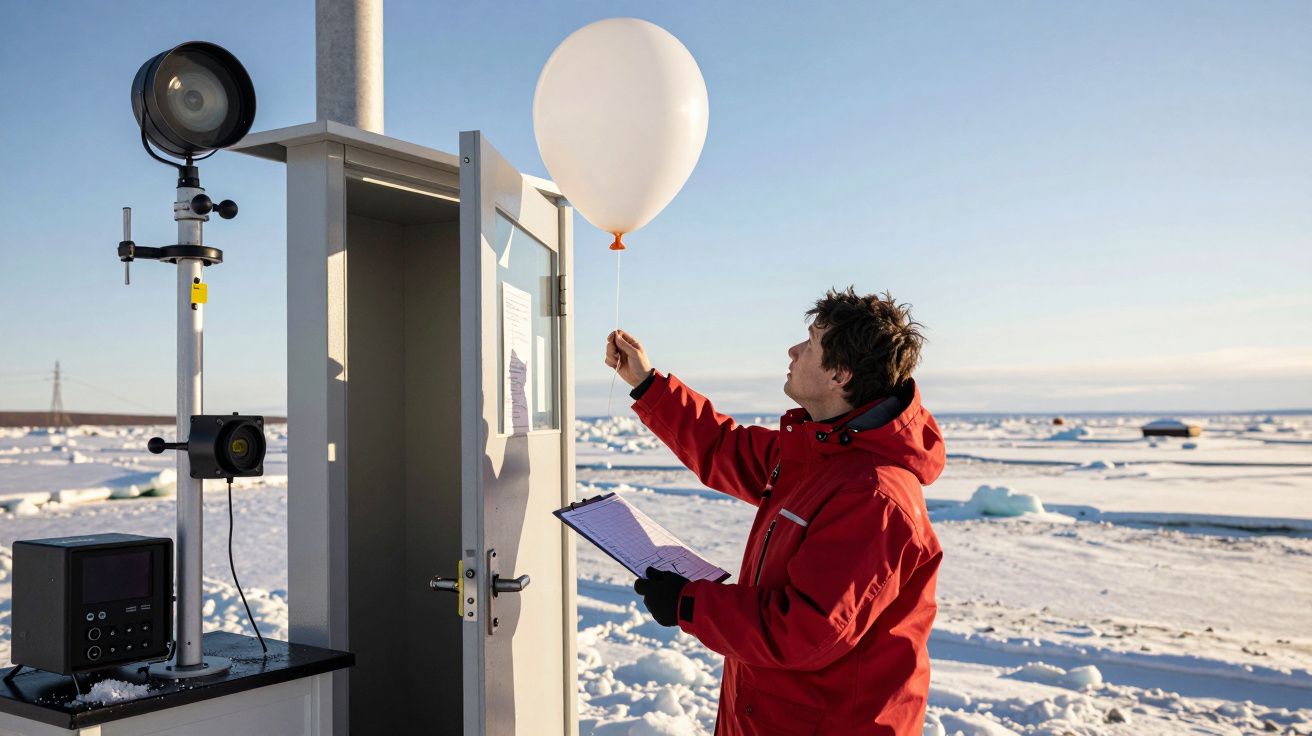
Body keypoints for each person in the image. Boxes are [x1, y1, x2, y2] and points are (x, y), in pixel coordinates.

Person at [604, 287, 945, 735]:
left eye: (811, 342)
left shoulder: (872, 497)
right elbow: (723, 448)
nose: (793, 351)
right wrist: (648, 384)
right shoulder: (817, 454)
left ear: (839, 374)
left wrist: (690, 603)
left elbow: (805, 629)